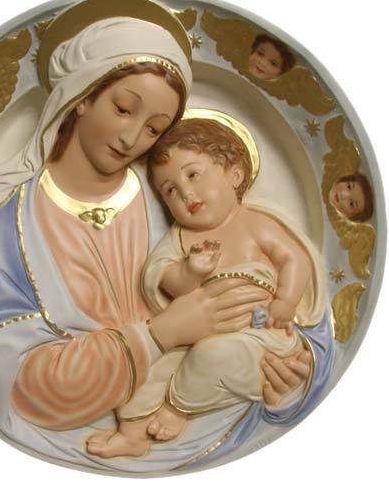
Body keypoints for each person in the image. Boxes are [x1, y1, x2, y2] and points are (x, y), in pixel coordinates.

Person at [0, 0, 333, 474]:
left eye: (154, 130)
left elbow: (296, 309)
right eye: (123, 109)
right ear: (83, 94)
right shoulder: (1, 224)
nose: (131, 139)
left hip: (224, 436)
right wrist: (161, 334)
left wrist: (297, 373)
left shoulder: (177, 203)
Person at [94, 117, 326, 457]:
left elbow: (295, 259)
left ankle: (177, 410)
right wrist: (189, 272)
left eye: (193, 175)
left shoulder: (254, 223)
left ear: (235, 174)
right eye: (170, 191)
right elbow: (161, 279)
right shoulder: (182, 238)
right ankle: (131, 435)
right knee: (143, 368)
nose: (185, 193)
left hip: (261, 338)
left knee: (212, 355)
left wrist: (286, 301)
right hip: (197, 340)